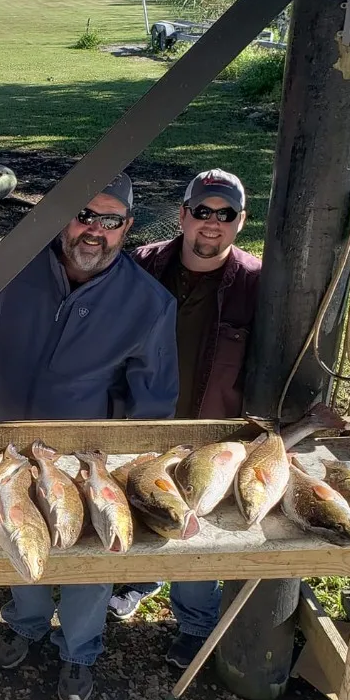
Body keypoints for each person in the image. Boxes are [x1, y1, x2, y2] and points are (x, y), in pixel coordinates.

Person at [0, 172, 179, 700]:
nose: (94, 231)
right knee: (19, 532)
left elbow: (152, 398)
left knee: (88, 554)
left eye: (110, 221)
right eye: (83, 215)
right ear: (63, 218)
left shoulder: (147, 303)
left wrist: (125, 465)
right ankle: (26, 621)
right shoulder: (12, 269)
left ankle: (80, 649)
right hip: (8, 446)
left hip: (84, 459)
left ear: (127, 227)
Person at [112, 168, 260, 669]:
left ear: (241, 221)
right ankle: (139, 579)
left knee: (199, 528)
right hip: (141, 425)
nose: (211, 222)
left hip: (210, 434)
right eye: (202, 211)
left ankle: (196, 623)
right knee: (141, 507)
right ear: (183, 215)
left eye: (225, 214)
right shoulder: (142, 265)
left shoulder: (258, 283)